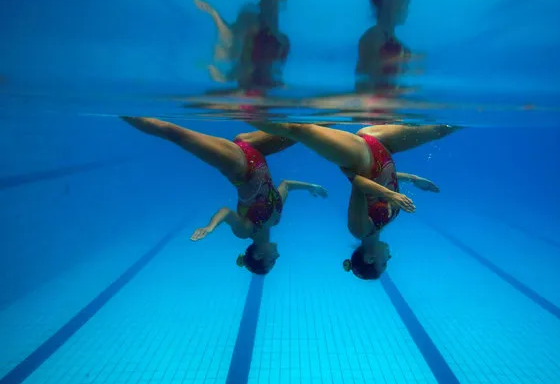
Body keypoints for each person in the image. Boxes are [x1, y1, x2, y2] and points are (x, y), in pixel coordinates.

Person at [250, 121, 460, 280]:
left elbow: (359, 183)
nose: (389, 259)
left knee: (298, 130)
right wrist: (413, 180)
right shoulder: (383, 225)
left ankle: (243, 107)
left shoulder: (360, 229)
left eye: (384, 263)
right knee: (440, 129)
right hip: (382, 149)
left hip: (360, 156)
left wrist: (392, 195)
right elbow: (383, 182)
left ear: (370, 259)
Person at [120, 116, 328, 275]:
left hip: (238, 165)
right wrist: (311, 186)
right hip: (255, 149)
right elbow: (286, 185)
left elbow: (227, 212)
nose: (278, 256)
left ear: (257, 255)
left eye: (272, 260)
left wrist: (210, 226)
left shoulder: (246, 231)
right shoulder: (275, 219)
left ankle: (124, 112)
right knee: (309, 130)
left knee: (174, 133)